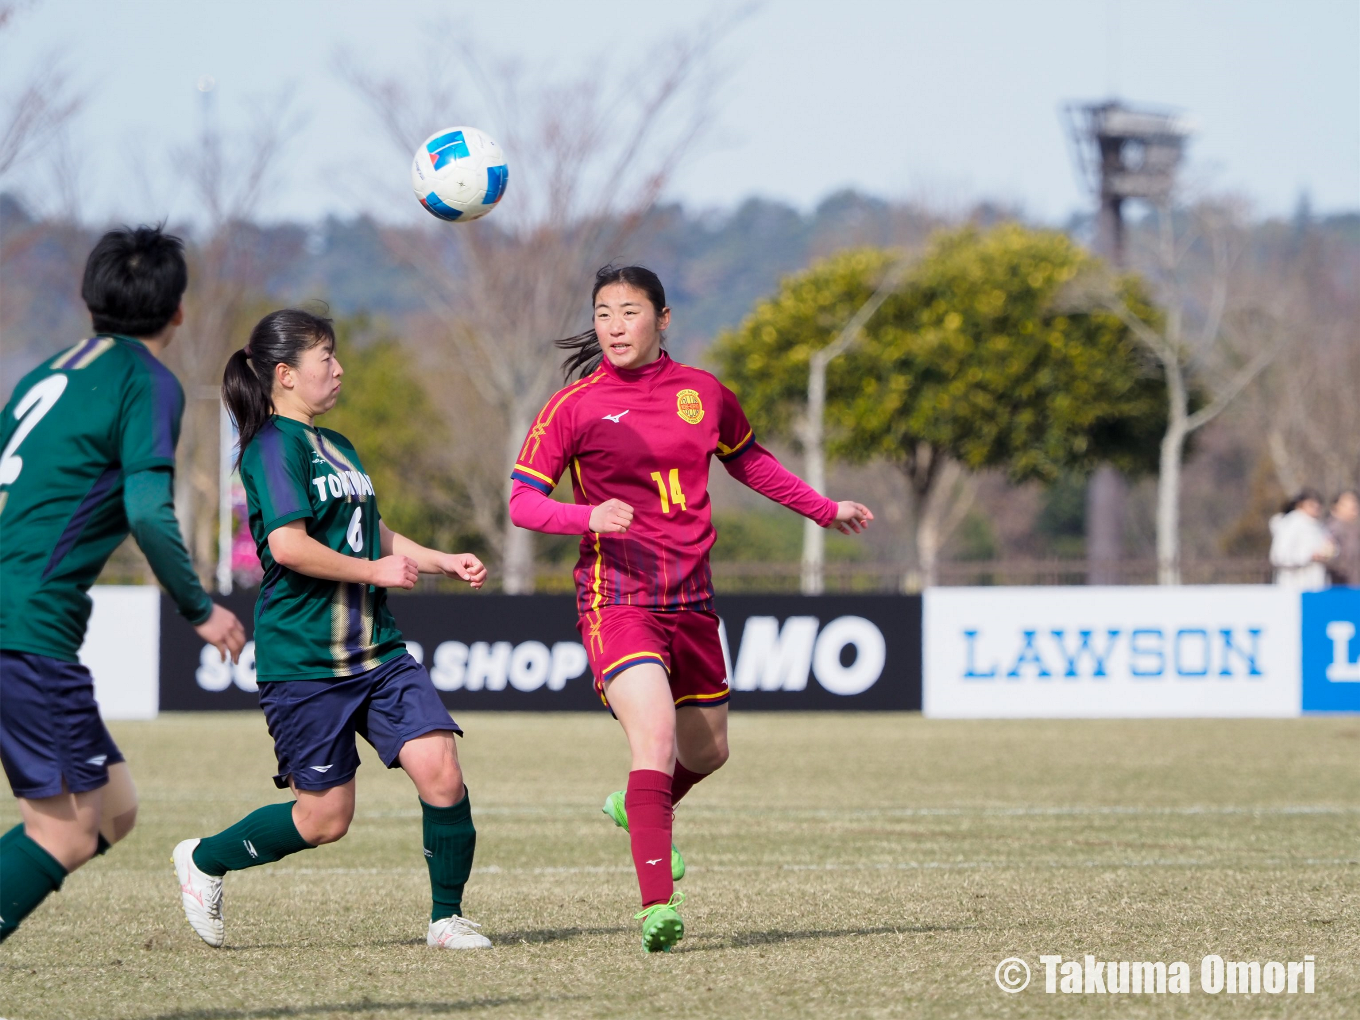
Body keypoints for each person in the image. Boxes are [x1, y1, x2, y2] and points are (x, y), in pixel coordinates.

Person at [507, 265, 873, 952]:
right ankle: (657, 908)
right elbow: (523, 502)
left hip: (693, 601)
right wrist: (587, 516)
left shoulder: (704, 394)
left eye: (630, 312)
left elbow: (751, 461)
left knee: (710, 751)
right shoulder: (573, 407)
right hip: (616, 597)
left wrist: (825, 510)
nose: (614, 327)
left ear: (663, 319)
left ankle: (636, 806)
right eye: (604, 314)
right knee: (656, 741)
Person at [172, 309, 492, 951]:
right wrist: (375, 568)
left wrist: (438, 560)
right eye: (326, 358)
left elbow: (372, 532)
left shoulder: (339, 445)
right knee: (324, 820)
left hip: (378, 652)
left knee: (442, 769)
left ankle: (446, 918)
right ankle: (205, 860)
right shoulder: (269, 447)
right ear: (285, 375)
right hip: (306, 661)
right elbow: (289, 547)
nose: (339, 368)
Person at [0, 226, 246, 943]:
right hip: (26, 623)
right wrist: (199, 610)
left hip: (20, 615)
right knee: (67, 831)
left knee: (113, 810)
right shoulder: (146, 380)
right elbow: (145, 506)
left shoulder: (47, 372)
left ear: (89, 300)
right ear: (178, 311)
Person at [1268, 489, 1336, 590]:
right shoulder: (1291, 524)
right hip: (1294, 583)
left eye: (1318, 504)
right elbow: (1279, 555)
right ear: (1300, 505)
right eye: (1311, 504)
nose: (1316, 508)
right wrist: (1308, 557)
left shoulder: (1319, 526)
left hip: (1317, 582)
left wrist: (1330, 552)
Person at [1326, 489, 1359, 587]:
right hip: (1340, 585)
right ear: (1335, 507)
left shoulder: (1354, 528)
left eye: (1355, 503)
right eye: (1347, 504)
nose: (1353, 507)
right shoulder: (1332, 529)